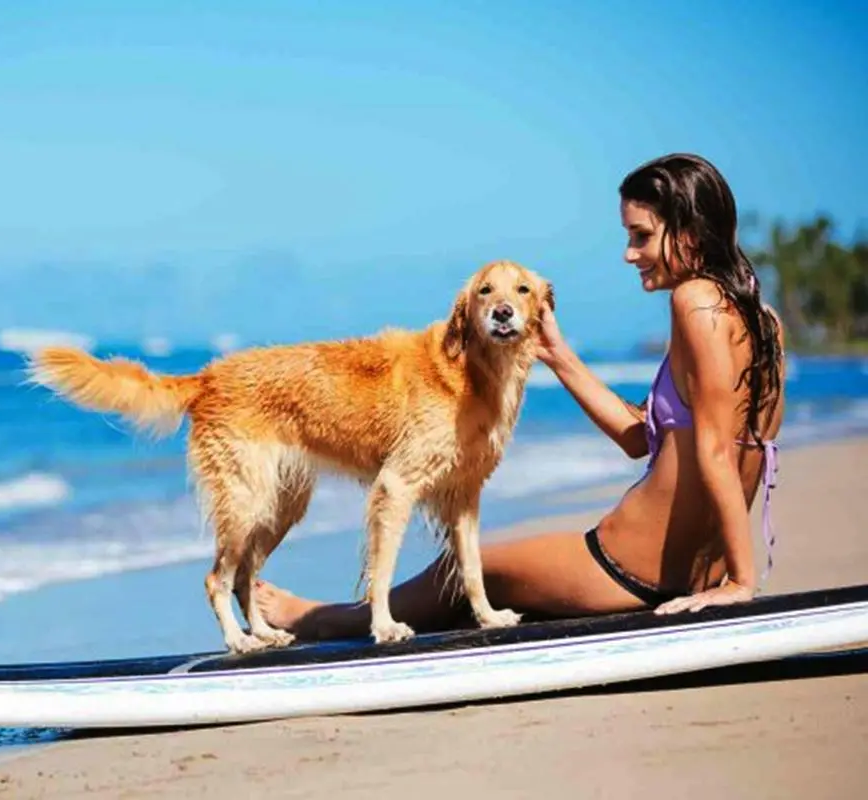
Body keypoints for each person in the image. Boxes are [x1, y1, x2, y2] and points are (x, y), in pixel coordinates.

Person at [256, 152, 787, 641]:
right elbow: (641, 440)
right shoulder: (764, 322)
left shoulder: (695, 303)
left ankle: (323, 620)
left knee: (464, 570)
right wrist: (557, 356)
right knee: (476, 599)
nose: (630, 254)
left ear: (690, 232)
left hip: (629, 566)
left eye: (641, 236)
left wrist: (741, 583)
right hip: (690, 568)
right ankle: (355, 617)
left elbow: (717, 451)